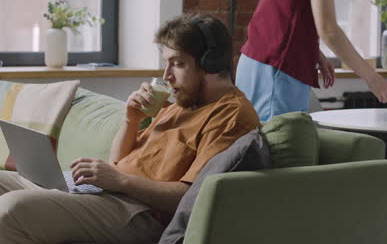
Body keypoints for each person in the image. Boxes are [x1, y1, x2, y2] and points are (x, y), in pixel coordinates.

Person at [0, 13, 260, 243]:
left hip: (140, 212)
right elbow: (118, 160)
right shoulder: (181, 103)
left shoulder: (231, 116)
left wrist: (120, 180)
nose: (166, 75)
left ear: (210, 64)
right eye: (165, 62)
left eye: (178, 64)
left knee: (12, 209)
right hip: (107, 194)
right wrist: (131, 119)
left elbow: (195, 195)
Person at [235, 0, 387, 122]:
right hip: (277, 70)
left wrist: (315, 53)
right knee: (280, 149)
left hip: (262, 63)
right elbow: (329, 30)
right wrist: (373, 78)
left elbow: (288, 11)